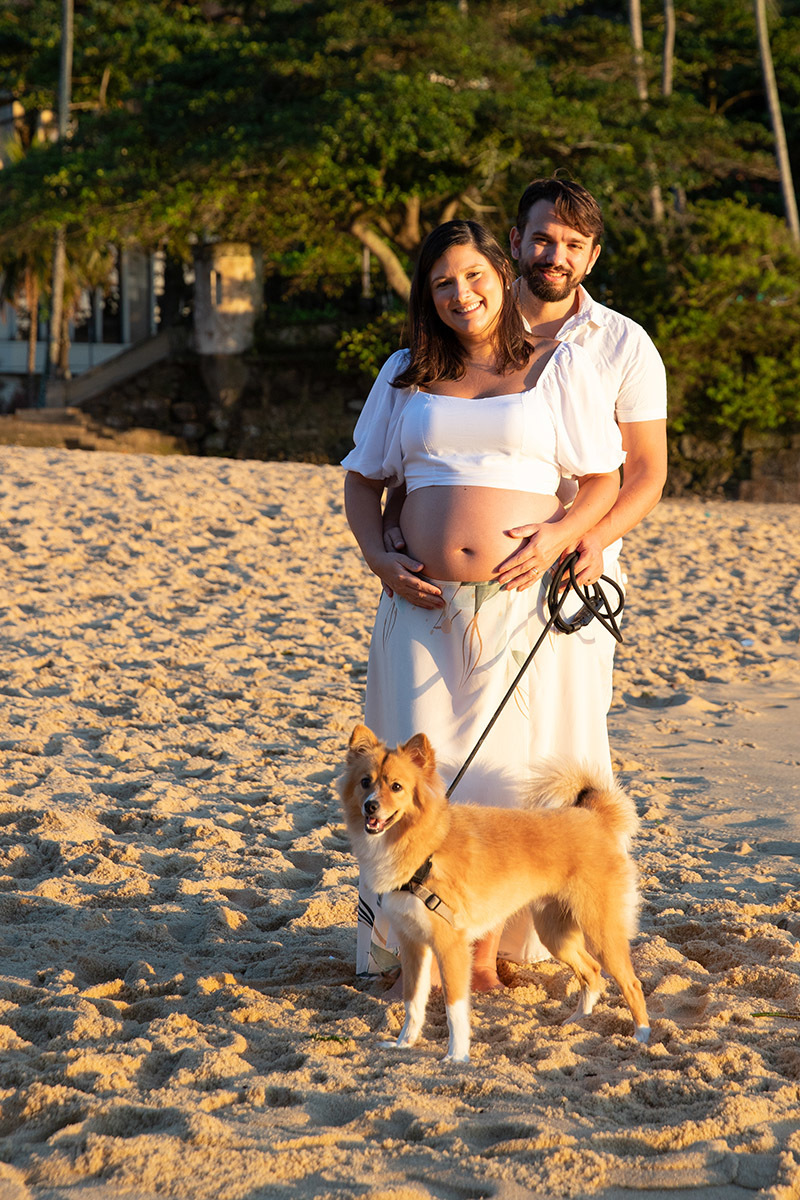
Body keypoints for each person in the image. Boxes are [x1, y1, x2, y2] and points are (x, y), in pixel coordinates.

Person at [341, 220, 624, 988]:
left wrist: (561, 533)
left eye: (474, 277)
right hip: (421, 604)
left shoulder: (558, 367)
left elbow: (604, 478)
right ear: (427, 297)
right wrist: (379, 555)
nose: (460, 294)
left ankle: (483, 958)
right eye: (442, 283)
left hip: (516, 603)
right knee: (415, 778)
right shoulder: (405, 370)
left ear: (502, 278)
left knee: (498, 774)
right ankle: (415, 957)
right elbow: (363, 481)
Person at [383, 179, 668, 782]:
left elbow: (643, 473)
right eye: (542, 238)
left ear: (592, 256)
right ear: (515, 242)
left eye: (574, 243)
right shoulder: (467, 310)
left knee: (555, 745)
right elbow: (429, 449)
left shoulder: (624, 343)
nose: (555, 255)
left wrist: (580, 538)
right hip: (444, 586)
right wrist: (390, 523)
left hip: (570, 573)